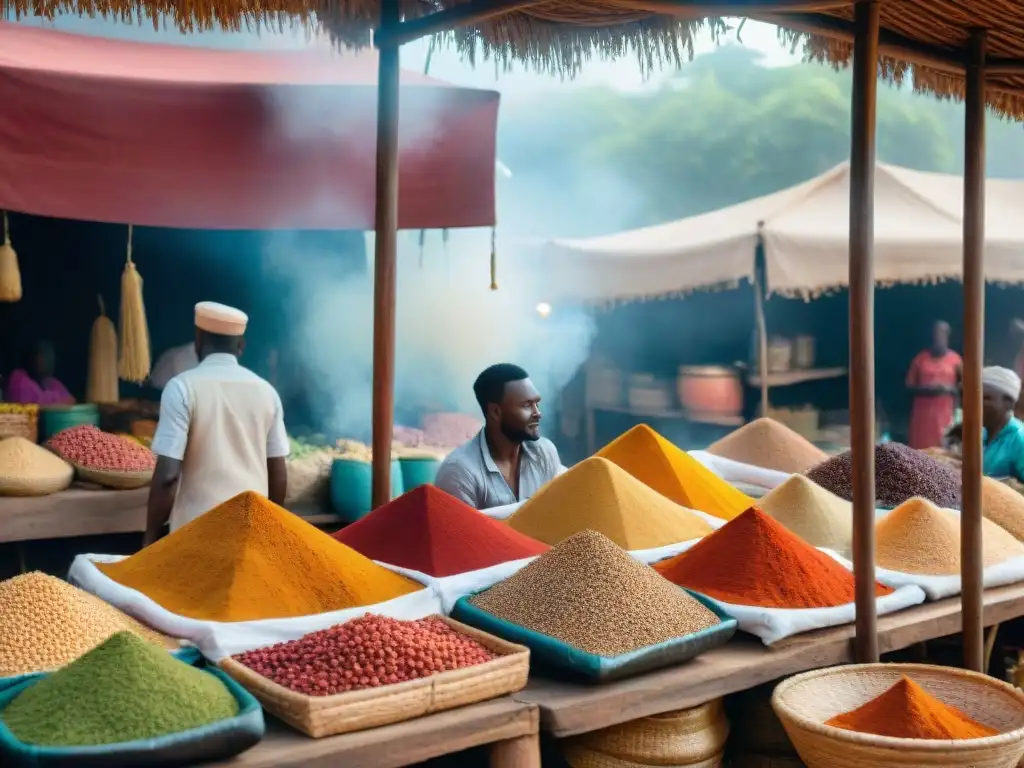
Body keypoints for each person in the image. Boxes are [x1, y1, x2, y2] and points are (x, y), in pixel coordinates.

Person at [144, 302, 289, 545]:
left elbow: (168, 476)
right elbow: (278, 472)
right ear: (241, 346)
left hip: (195, 535)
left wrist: (150, 537)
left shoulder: (182, 388)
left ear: (198, 341)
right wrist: (270, 529)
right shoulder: (267, 392)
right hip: (250, 533)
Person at [435, 363, 562, 510]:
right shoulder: (460, 472)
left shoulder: (544, 453)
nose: (537, 413)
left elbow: (557, 513)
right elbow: (461, 532)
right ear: (495, 412)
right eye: (527, 405)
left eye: (536, 404)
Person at [906, 321, 962, 450]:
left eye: (941, 334)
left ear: (947, 336)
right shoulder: (920, 359)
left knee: (944, 450)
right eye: (935, 334)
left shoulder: (955, 360)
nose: (938, 338)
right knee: (921, 452)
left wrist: (949, 389)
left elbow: (964, 386)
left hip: (945, 414)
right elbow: (909, 387)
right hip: (922, 416)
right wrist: (926, 390)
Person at [978, 366, 1024, 483]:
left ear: (1008, 403)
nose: (976, 404)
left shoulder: (1019, 439)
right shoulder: (982, 434)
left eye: (986, 398)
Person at [5, 341, 74, 405]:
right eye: (45, 355)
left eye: (51, 356)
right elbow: (40, 404)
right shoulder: (18, 378)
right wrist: (61, 401)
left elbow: (71, 401)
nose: (50, 361)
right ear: (32, 358)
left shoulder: (50, 381)